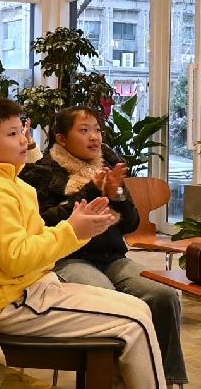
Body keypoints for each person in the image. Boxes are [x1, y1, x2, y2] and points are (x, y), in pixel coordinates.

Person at [0, 96, 166, 389]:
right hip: (14, 301)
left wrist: (83, 225)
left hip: (38, 286)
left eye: (22, 130)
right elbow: (16, 259)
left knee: (141, 308)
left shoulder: (14, 183)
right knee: (135, 323)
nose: (24, 140)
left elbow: (126, 222)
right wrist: (72, 230)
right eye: (13, 134)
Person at [19, 106, 187, 386]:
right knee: (109, 298)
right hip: (69, 260)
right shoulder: (41, 173)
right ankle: (111, 381)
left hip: (113, 258)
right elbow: (43, 223)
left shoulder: (108, 167)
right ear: (61, 138)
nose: (94, 137)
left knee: (164, 296)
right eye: (84, 130)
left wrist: (116, 194)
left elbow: (131, 224)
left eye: (97, 129)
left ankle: (166, 379)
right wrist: (90, 192)